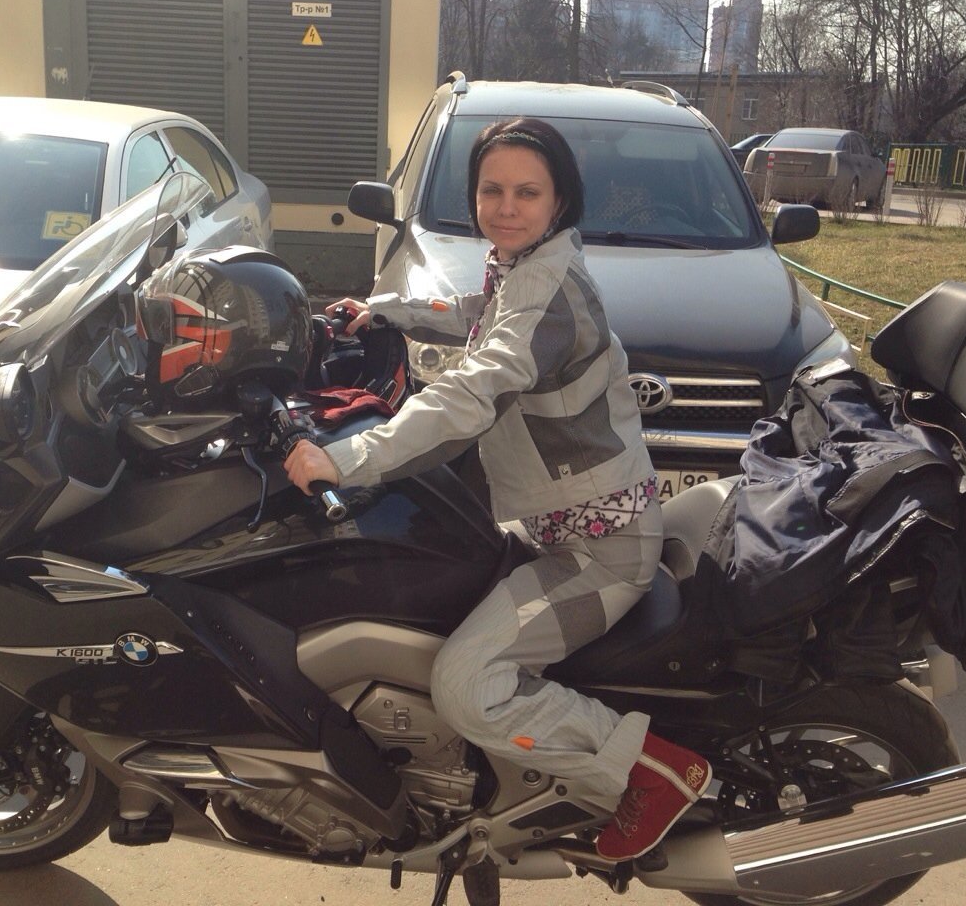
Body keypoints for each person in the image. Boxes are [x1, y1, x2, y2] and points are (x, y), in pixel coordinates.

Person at [285, 117, 710, 861]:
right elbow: (479, 319)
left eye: (527, 192)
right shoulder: (525, 266)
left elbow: (475, 392)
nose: (505, 207)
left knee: (466, 686)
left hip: (600, 555)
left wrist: (348, 458)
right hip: (557, 526)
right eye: (492, 190)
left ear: (560, 200)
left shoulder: (548, 287)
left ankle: (649, 769)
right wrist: (385, 310)